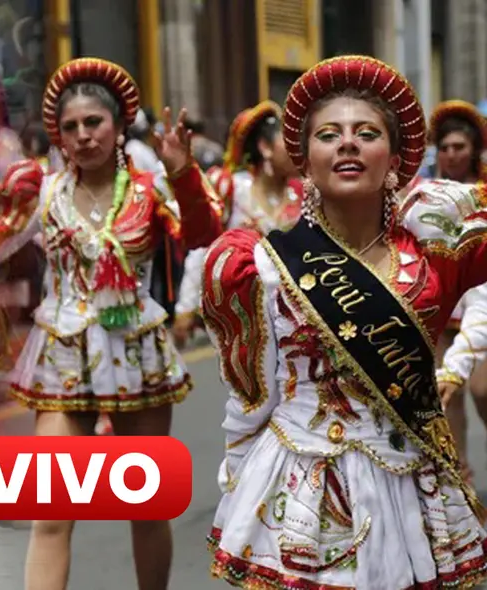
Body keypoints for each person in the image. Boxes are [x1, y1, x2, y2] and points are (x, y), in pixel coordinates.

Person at [204, 55, 487, 589]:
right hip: (304, 484)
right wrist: (238, 477)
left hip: (409, 478)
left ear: (396, 157)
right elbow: (252, 396)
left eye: (367, 133)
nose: (348, 143)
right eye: (329, 134)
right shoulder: (265, 265)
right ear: (305, 161)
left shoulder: (435, 251)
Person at [0, 57, 224, 589]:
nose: (82, 137)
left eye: (94, 124)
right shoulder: (45, 192)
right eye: (71, 127)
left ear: (119, 125)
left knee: (147, 506)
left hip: (138, 358)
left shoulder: (152, 190)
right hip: (62, 358)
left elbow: (203, 234)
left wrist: (182, 171)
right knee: (52, 511)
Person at [172, 101, 301, 349]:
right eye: (288, 142)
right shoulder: (231, 189)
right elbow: (203, 249)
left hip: (296, 319)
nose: (299, 150)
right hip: (244, 322)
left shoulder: (303, 193)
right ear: (265, 147)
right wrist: (185, 308)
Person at [422, 100, 487, 483]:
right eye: (444, 148)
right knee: (446, 392)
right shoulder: (424, 195)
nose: (450, 155)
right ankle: (458, 474)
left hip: (481, 303)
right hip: (442, 304)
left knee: (480, 388)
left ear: (474, 149)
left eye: (458, 147)